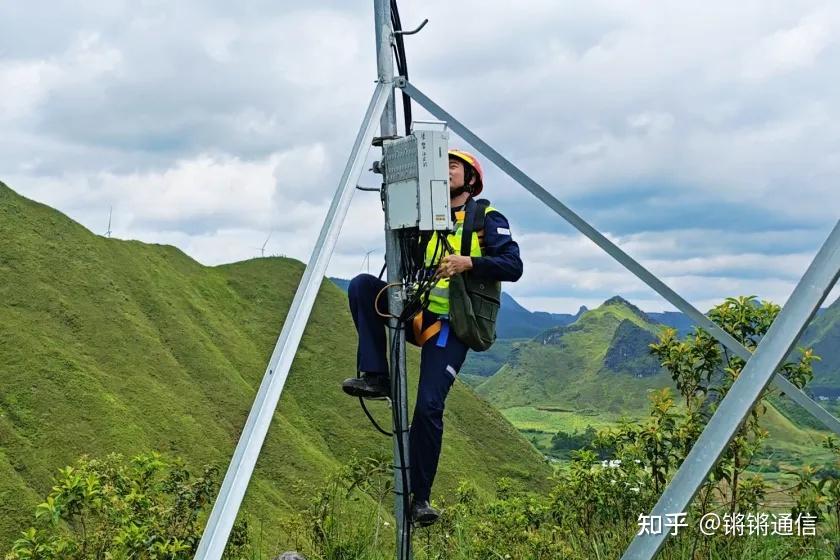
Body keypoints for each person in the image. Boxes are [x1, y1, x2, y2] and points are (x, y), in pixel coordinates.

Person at [341, 149, 523, 525]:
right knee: (362, 286)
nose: (446, 172)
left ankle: (420, 499)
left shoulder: (487, 218)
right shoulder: (425, 217)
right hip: (416, 313)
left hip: (451, 327)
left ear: (471, 179)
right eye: (441, 167)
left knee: (427, 408)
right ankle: (377, 376)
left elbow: (513, 265)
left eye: (454, 167)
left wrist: (468, 263)